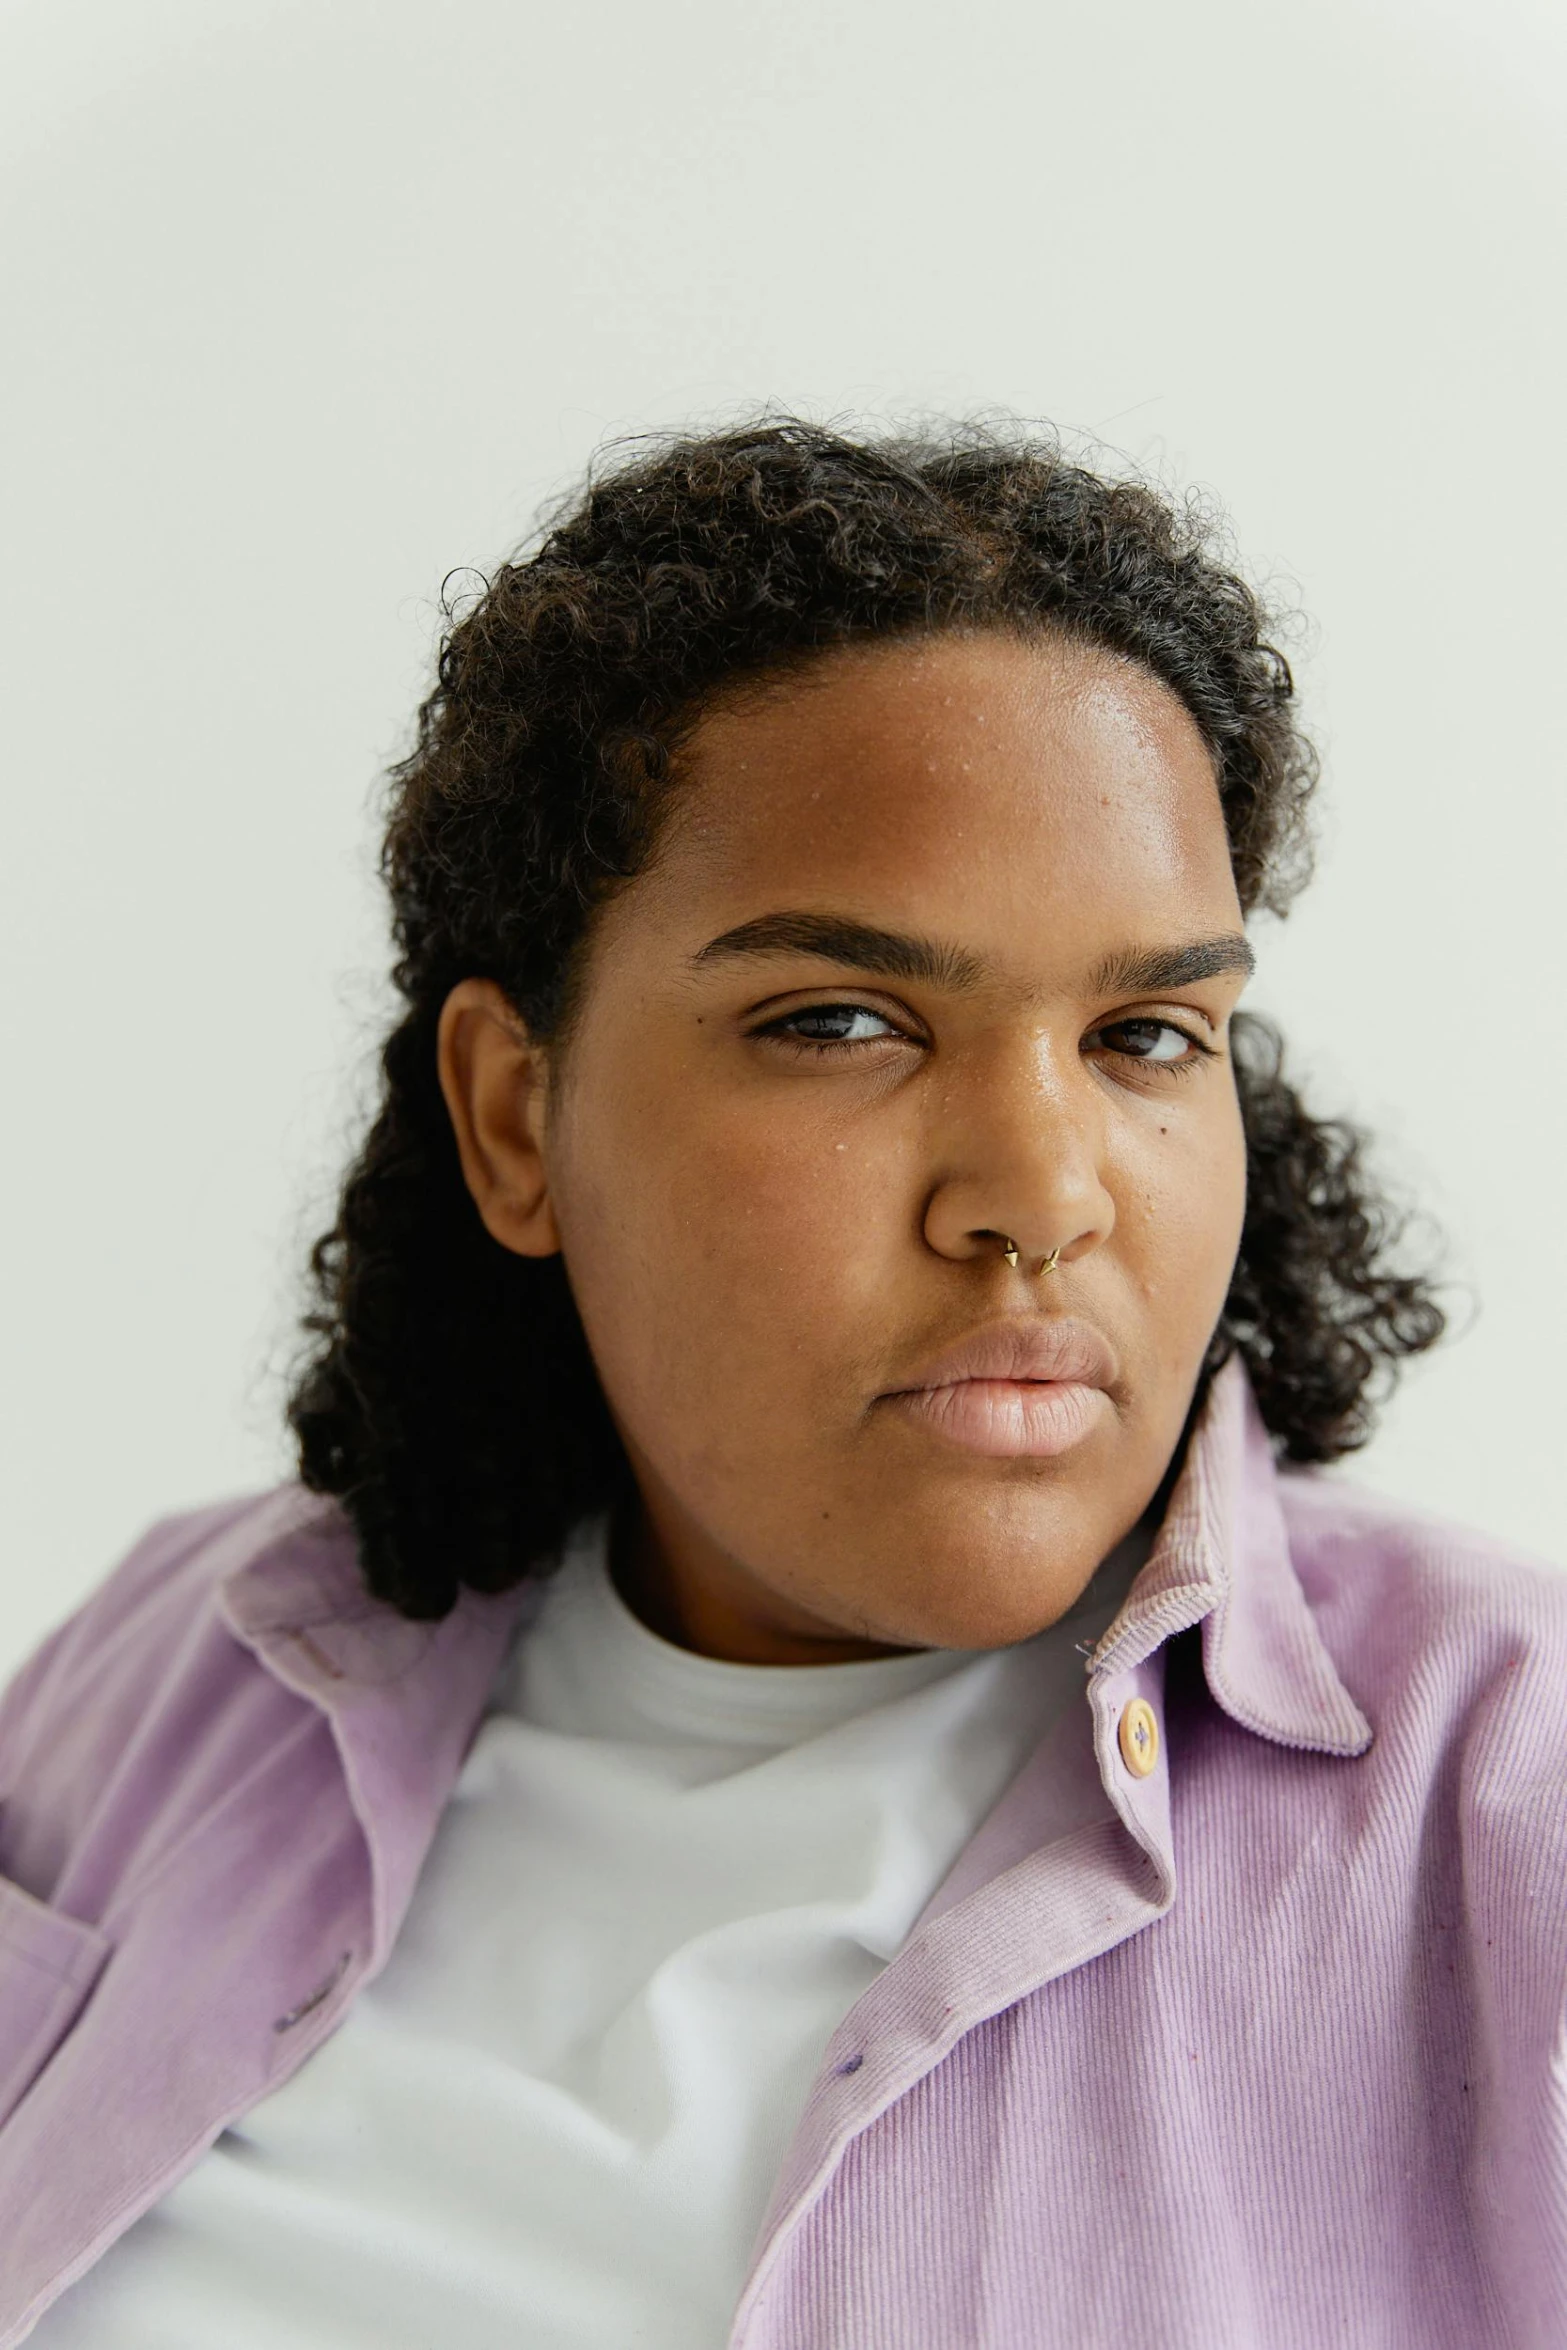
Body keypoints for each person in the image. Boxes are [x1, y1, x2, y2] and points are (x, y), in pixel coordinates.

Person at [0, 419, 1562, 2350]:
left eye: (1148, 1032)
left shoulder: (1510, 1800)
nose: (1040, 1195)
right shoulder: (181, 1671)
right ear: (514, 1118)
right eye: (840, 1022)